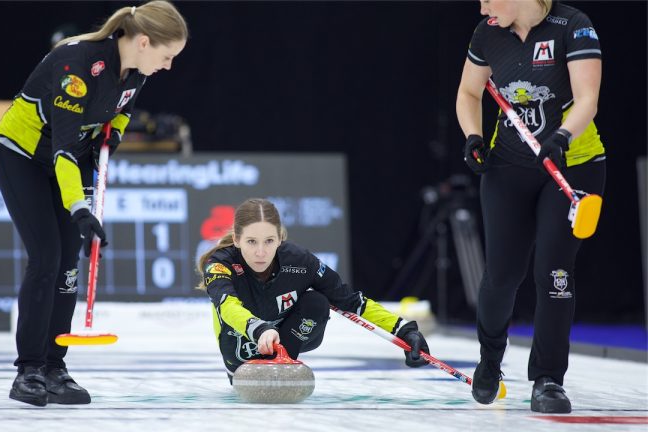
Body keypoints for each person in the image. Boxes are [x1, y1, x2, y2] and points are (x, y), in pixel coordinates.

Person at [0, 1, 188, 407]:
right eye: (167, 57)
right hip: (25, 155)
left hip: (73, 154)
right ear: (146, 42)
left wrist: (112, 135)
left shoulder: (138, 70)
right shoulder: (77, 64)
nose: (169, 66)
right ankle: (28, 369)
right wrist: (80, 210)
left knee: (68, 261)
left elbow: (121, 110)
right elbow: (62, 150)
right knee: (46, 256)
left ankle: (54, 367)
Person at [455, 0, 605, 414]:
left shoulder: (572, 26)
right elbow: (469, 91)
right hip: (508, 166)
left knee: (554, 271)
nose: (482, 6)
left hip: (572, 165)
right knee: (502, 274)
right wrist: (473, 136)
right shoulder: (488, 32)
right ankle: (489, 359)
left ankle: (548, 379)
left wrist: (561, 136)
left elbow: (587, 98)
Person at [197, 198, 431, 384]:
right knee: (229, 309)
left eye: (268, 241)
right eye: (251, 242)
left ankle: (283, 362)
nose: (260, 252)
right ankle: (266, 361)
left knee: (316, 302)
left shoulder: (300, 262)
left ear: (280, 239)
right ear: (237, 240)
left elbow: (350, 300)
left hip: (289, 337)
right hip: (240, 344)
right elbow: (226, 305)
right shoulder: (220, 263)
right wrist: (258, 329)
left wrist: (403, 330)